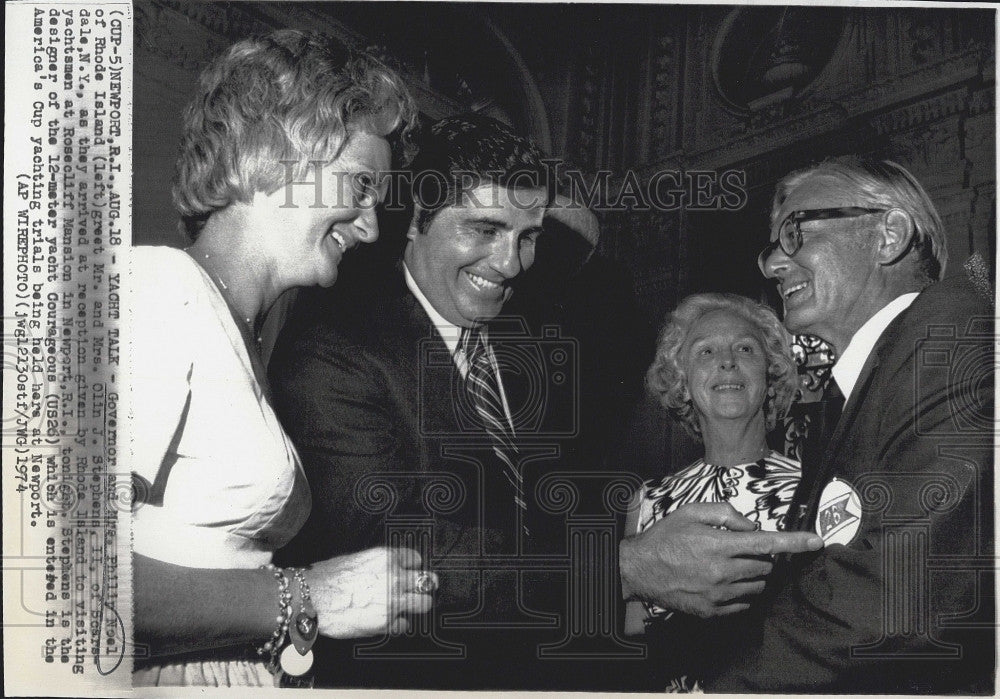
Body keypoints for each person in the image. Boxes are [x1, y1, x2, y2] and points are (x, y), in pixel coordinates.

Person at [129, 30, 435, 687]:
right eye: (359, 185)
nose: (370, 226)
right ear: (277, 152)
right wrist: (311, 595)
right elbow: (57, 573)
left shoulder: (242, 333)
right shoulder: (157, 290)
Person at [269, 114, 606, 689]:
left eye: (527, 238)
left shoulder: (529, 342)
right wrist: (615, 571)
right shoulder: (335, 348)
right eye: (483, 229)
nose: (510, 264)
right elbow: (402, 550)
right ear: (414, 220)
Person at [705, 157, 995, 692]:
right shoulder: (855, 393)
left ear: (889, 235)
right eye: (772, 246)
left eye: (795, 231)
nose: (773, 266)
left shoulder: (952, 328)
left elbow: (906, 598)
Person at [623, 293, 801, 689]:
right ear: (682, 383)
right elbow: (634, 647)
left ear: (770, 377)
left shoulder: (816, 490)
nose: (727, 361)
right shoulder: (647, 501)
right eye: (705, 351)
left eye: (745, 348)